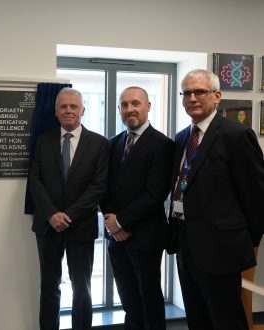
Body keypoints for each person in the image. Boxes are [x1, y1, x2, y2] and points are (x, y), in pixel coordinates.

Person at [169, 69, 264, 329]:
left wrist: (245, 241)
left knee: (226, 320)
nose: (192, 98)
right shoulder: (182, 138)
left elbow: (256, 196)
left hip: (222, 249)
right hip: (186, 243)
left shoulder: (236, 135)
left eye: (200, 91)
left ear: (217, 96)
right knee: (197, 317)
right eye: (186, 92)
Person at [29, 87, 109, 330]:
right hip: (47, 226)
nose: (68, 111)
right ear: (55, 111)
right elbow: (35, 180)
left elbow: (98, 186)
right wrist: (52, 214)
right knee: (49, 286)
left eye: (73, 106)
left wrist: (69, 215)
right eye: (63, 106)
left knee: (82, 287)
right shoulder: (43, 141)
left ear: (83, 110)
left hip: (81, 227)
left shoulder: (99, 143)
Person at [100, 87, 174, 330]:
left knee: (149, 298)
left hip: (146, 237)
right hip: (116, 239)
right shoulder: (112, 144)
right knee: (128, 300)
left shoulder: (163, 145)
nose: (129, 109)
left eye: (135, 103)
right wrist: (111, 220)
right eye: (124, 105)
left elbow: (155, 195)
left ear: (148, 106)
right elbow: (105, 186)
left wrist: (122, 223)